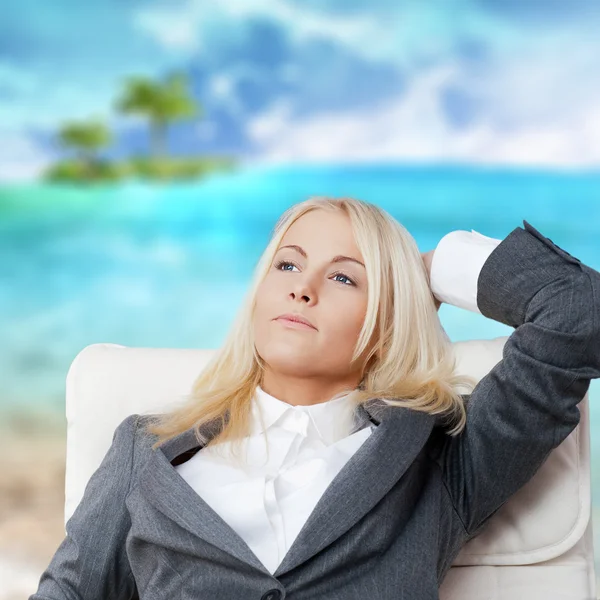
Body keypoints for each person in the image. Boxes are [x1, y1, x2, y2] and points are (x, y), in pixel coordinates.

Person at [30, 196, 600, 599]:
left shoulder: (445, 460)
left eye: (345, 278)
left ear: (384, 322)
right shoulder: (144, 451)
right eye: (287, 263)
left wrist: (437, 267)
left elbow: (579, 312)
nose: (302, 287)